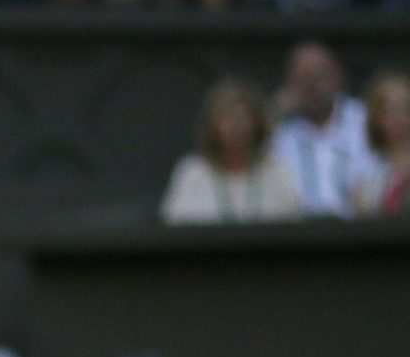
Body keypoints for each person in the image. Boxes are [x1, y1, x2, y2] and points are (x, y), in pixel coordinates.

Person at [161, 79, 305, 224]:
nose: (235, 125)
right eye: (226, 118)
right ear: (211, 125)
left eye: (242, 117)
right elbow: (174, 228)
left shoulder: (277, 171)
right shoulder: (192, 173)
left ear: (256, 122)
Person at [272, 40, 376, 218]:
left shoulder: (368, 121)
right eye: (303, 77)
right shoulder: (280, 136)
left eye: (319, 74)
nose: (312, 84)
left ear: (338, 76)